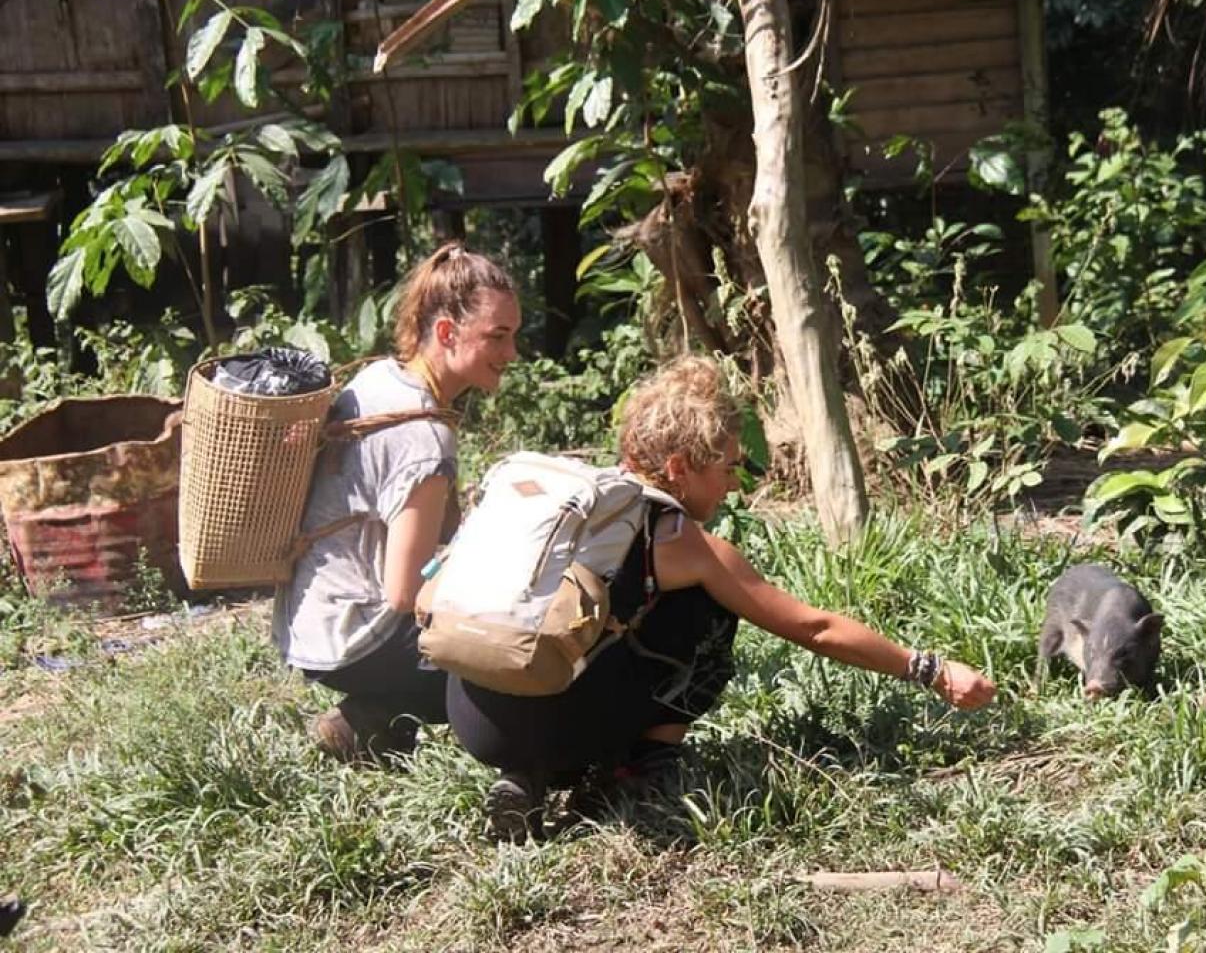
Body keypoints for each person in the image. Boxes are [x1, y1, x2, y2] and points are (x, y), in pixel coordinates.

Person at [445, 355, 996, 837]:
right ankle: (643, 766)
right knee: (710, 608)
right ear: (678, 468)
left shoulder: (573, 501)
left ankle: (528, 774)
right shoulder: (682, 541)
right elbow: (815, 628)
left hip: (471, 715)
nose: (734, 484)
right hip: (557, 720)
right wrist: (931, 670)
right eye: (727, 468)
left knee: (592, 637)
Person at [274, 241, 521, 764]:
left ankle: (370, 723)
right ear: (447, 333)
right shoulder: (425, 440)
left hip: (308, 620)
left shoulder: (381, 377)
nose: (511, 354)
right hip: (357, 637)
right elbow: (406, 591)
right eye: (497, 336)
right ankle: (391, 711)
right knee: (520, 658)